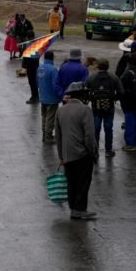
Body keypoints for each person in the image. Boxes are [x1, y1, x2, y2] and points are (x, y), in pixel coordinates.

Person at [55, 82, 98, 220]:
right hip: (82, 154)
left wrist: (61, 155)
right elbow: (90, 136)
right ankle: (80, 209)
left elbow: (58, 136)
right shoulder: (85, 110)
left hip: (67, 154)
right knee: (83, 182)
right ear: (82, 95)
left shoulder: (60, 110)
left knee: (71, 182)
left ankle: (74, 209)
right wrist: (92, 152)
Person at [86, 58, 124, 158]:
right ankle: (108, 150)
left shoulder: (91, 77)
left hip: (96, 108)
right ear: (107, 66)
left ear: (98, 66)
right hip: (109, 107)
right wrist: (114, 99)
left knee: (96, 128)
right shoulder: (114, 77)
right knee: (108, 128)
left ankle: (95, 150)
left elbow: (85, 91)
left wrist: (92, 99)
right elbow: (121, 92)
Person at [37, 51, 61, 142]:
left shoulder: (39, 68)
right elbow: (55, 85)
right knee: (50, 117)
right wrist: (60, 95)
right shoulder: (53, 69)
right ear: (52, 58)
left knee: (44, 116)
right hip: (51, 98)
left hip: (42, 96)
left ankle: (44, 134)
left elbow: (37, 82)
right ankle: (48, 136)